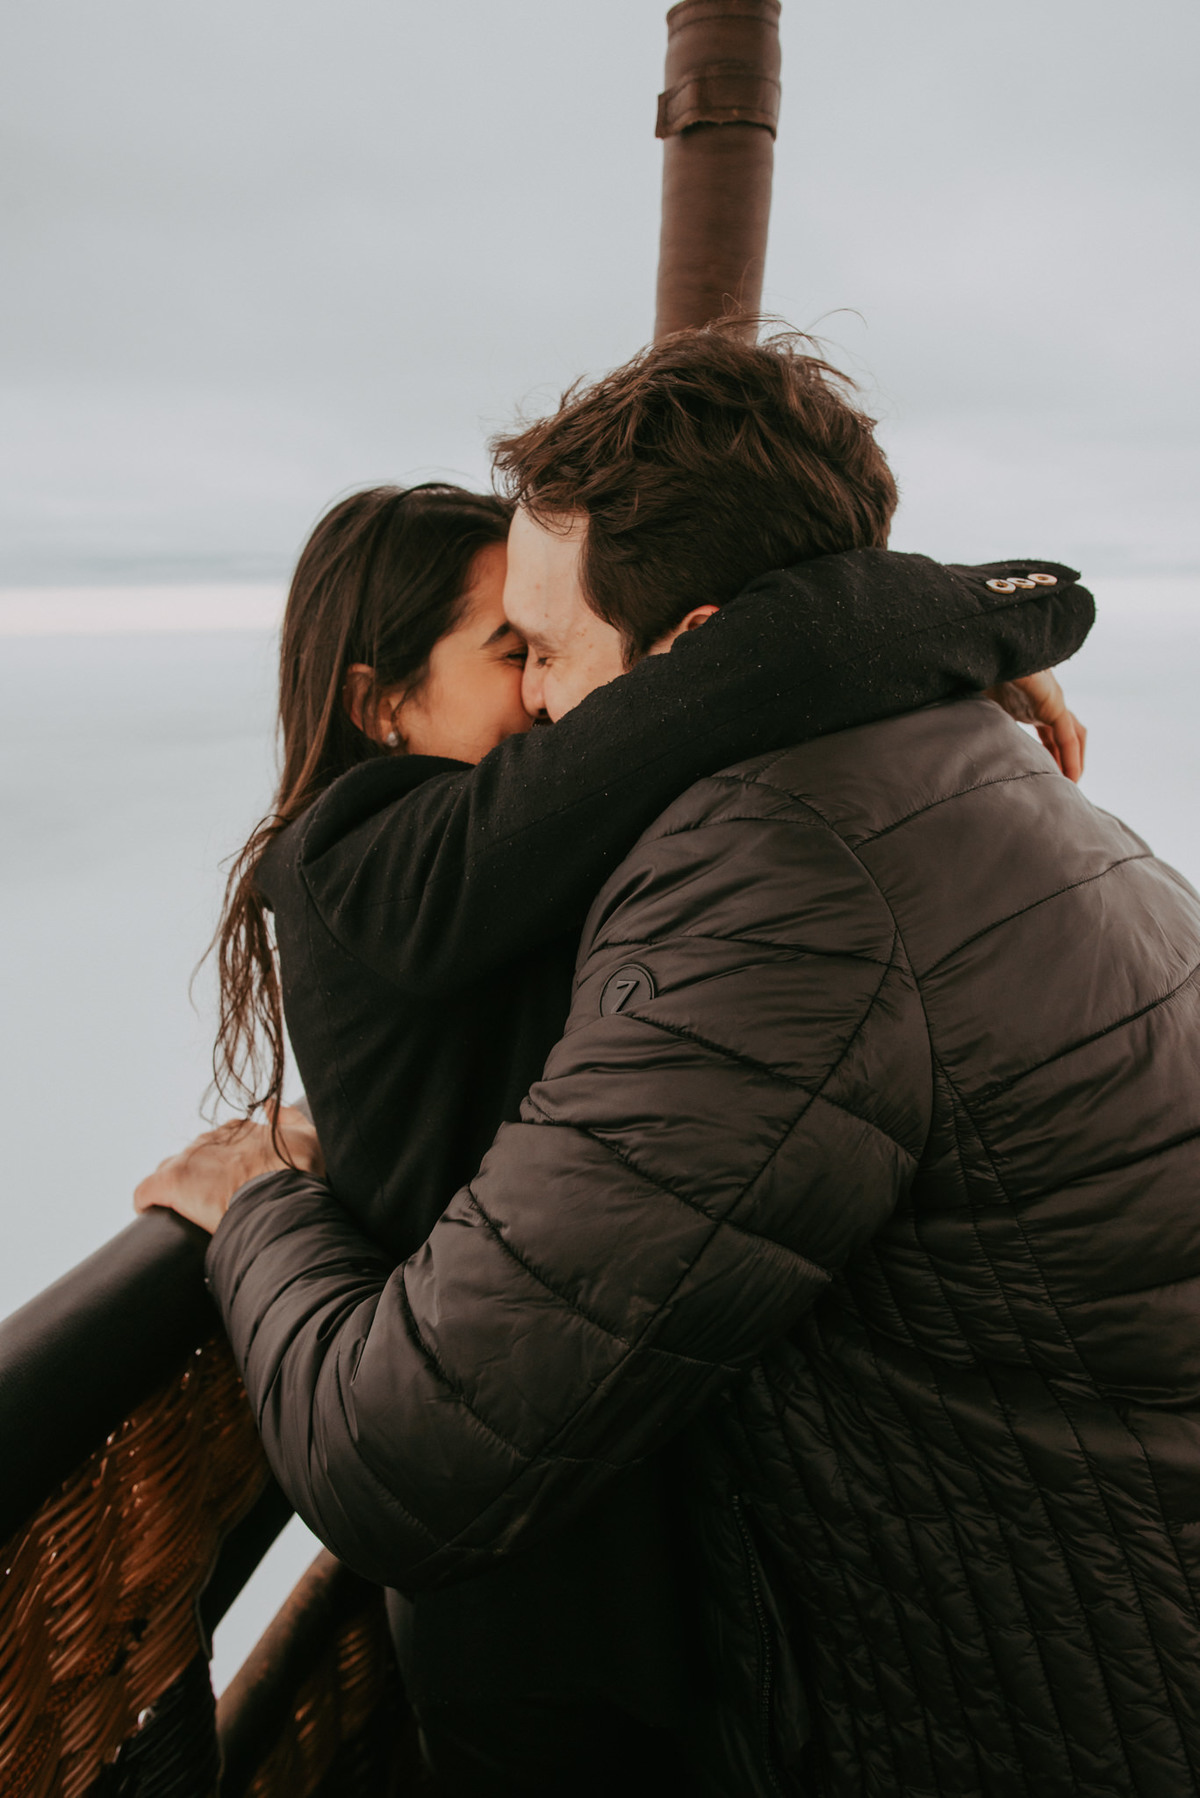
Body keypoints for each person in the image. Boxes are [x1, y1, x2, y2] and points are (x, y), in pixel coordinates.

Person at [134, 325, 1199, 1798]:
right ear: (379, 700)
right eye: (510, 656)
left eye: (547, 650)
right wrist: (970, 628)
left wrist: (260, 1198)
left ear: (696, 649)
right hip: (601, 1582)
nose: (554, 714)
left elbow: (411, 1446)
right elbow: (758, 670)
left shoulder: (784, 872)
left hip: (1001, 1675)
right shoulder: (380, 850)